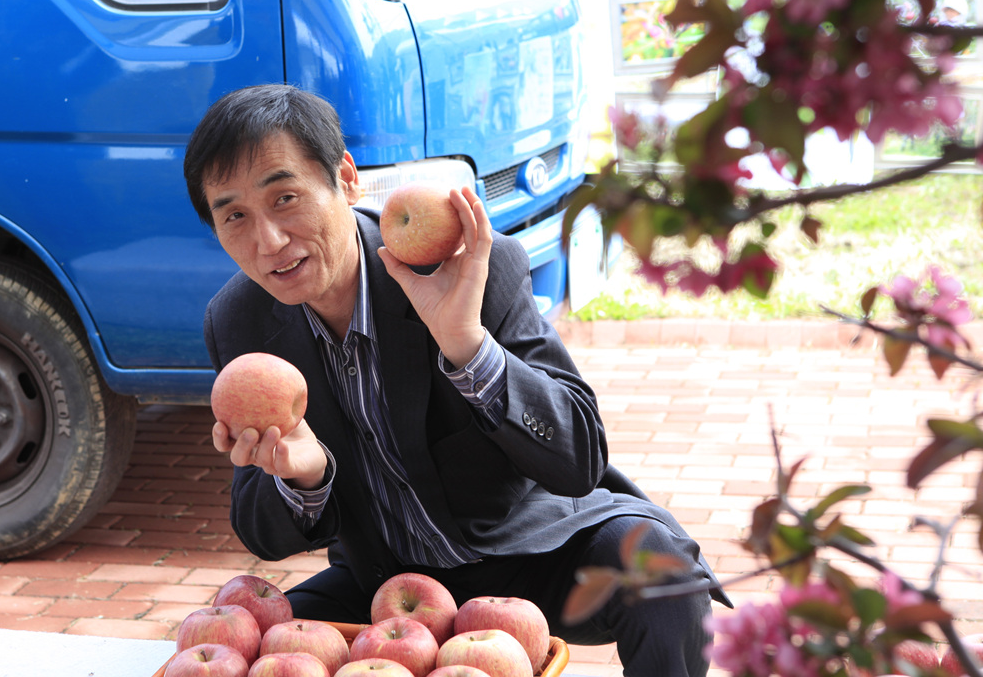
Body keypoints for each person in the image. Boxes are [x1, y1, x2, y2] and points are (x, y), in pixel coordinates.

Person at [183, 84, 731, 677]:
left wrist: (469, 347)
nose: (268, 241)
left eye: (285, 198)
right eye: (234, 216)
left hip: (533, 557)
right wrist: (304, 477)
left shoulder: (459, 265)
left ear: (345, 178)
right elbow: (262, 535)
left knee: (661, 573)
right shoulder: (239, 321)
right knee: (246, 645)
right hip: (388, 587)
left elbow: (580, 459)